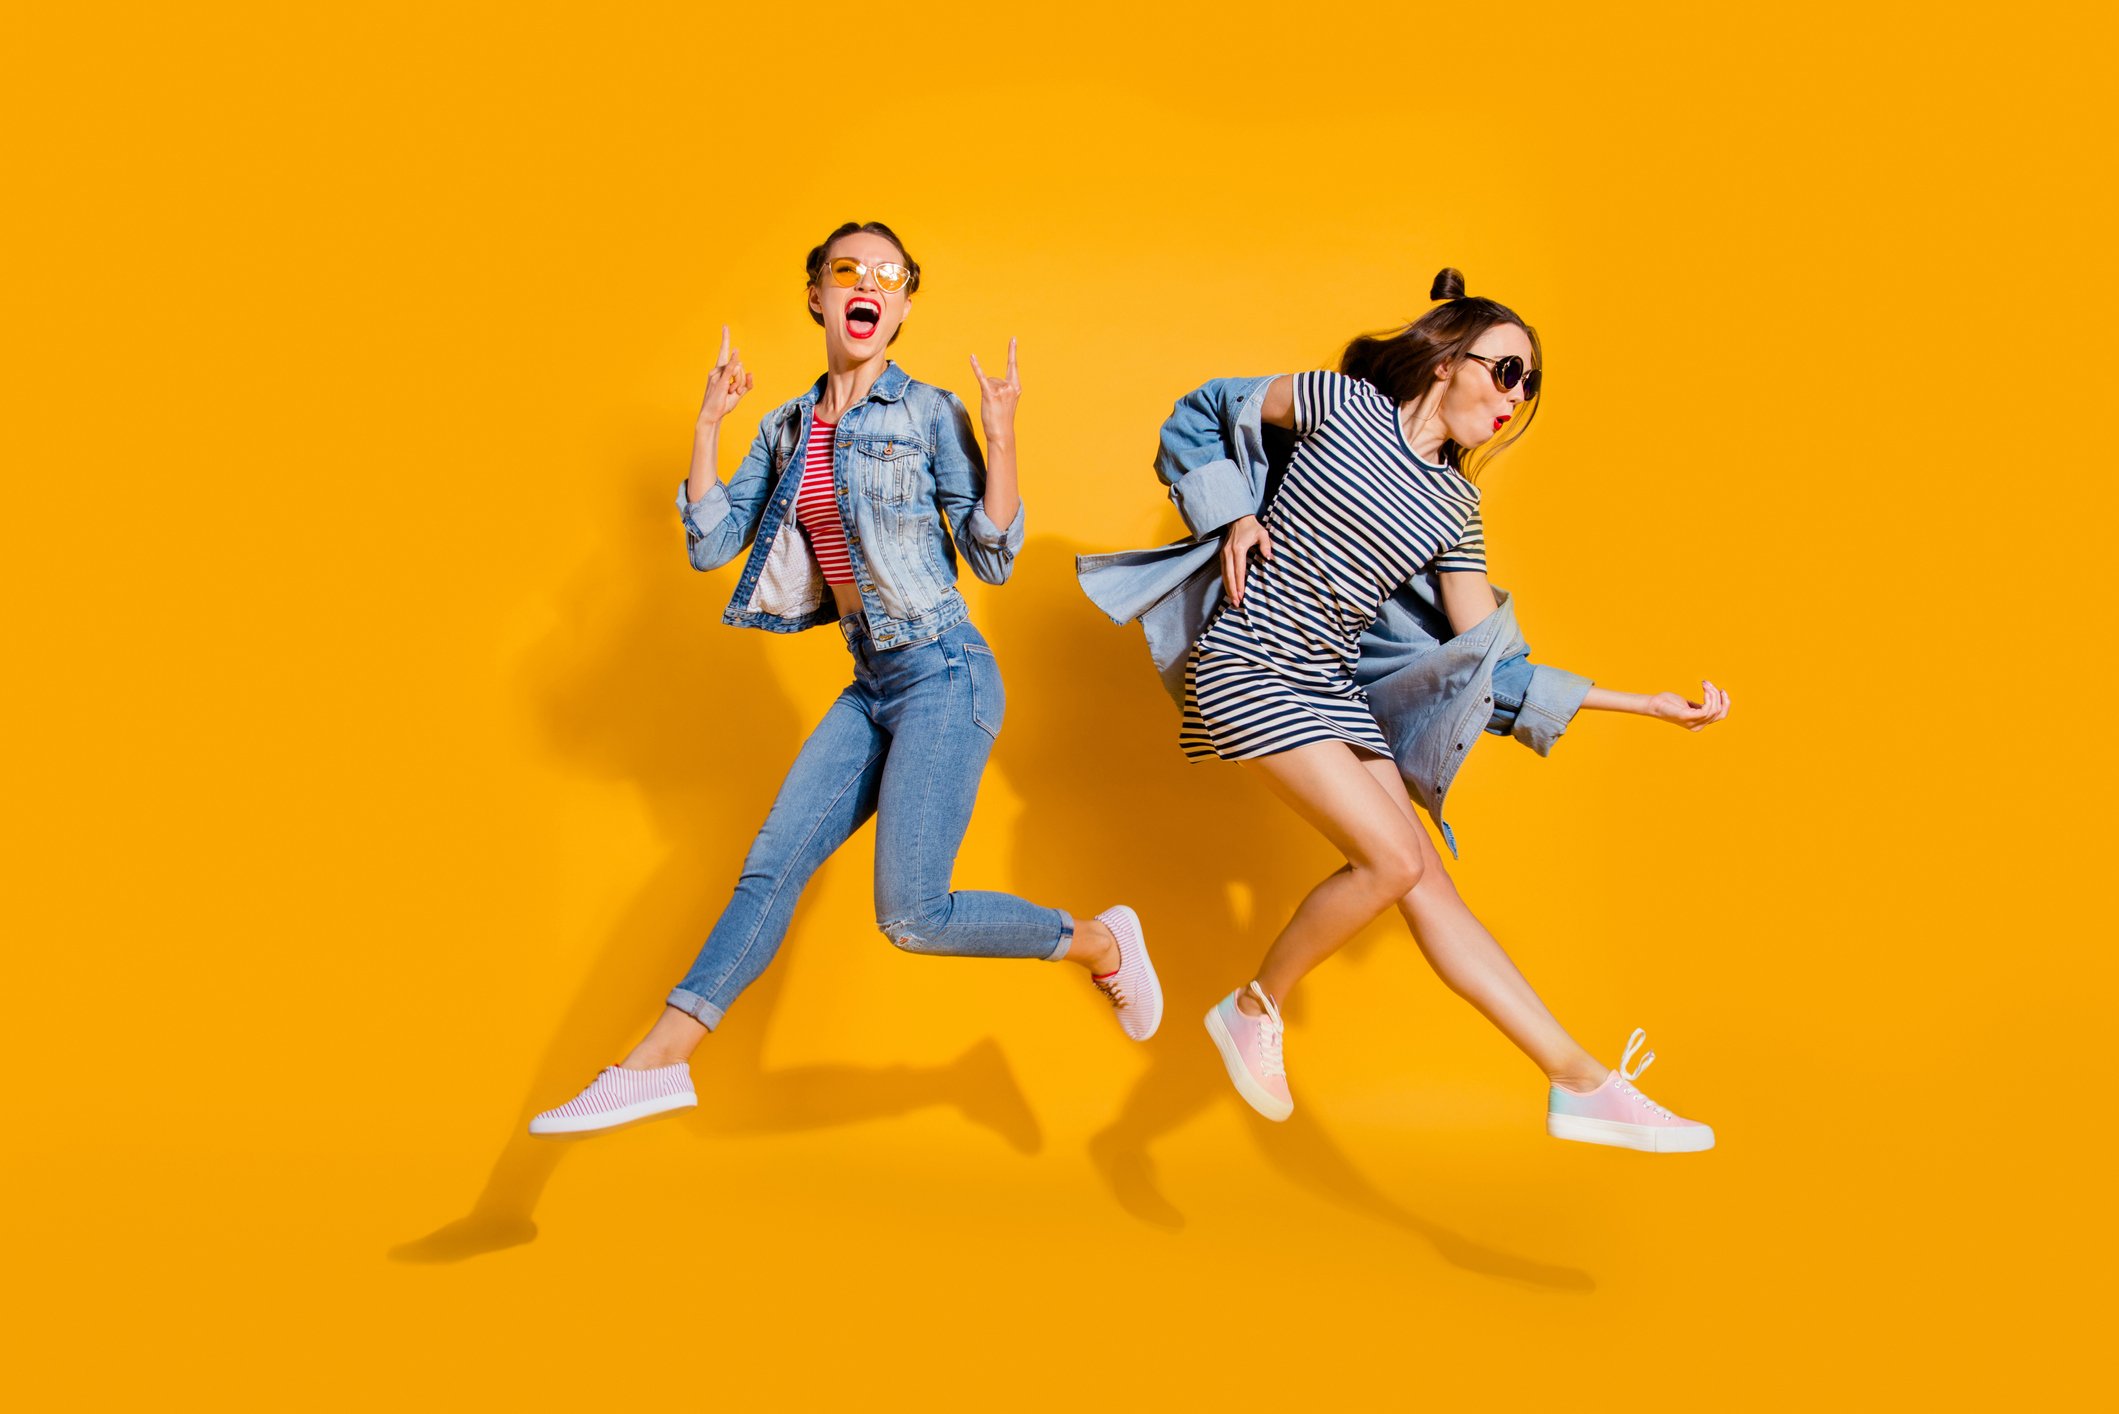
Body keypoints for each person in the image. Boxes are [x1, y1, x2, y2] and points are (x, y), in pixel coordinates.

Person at [531, 221, 1161, 1136]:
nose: (867, 283)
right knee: (767, 870)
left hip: (945, 673)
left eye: (889, 274)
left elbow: (990, 556)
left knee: (911, 916)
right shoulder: (787, 427)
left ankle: (1099, 939)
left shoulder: (930, 413)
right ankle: (654, 1064)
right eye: (846, 270)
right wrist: (708, 424)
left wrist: (1001, 436)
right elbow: (711, 543)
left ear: (902, 304)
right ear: (819, 297)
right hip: (871, 684)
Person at [1077, 267, 1725, 1153]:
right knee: (1386, 860)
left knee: (1429, 890)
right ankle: (1254, 1005)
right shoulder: (1335, 403)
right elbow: (1200, 410)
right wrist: (1230, 517)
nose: (1516, 398)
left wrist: (1643, 705)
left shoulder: (1457, 506)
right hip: (1249, 662)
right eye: (1506, 371)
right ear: (1447, 361)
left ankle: (1583, 1084)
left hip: (1330, 691)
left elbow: (1488, 665)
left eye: (1530, 386)